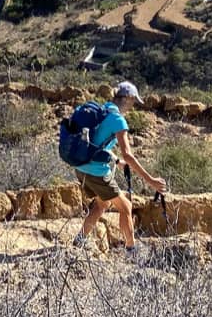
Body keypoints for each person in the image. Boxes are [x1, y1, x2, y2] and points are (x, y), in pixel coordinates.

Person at [71, 81, 167, 257]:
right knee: (126, 206)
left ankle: (80, 240)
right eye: (133, 101)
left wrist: (115, 160)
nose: (133, 106)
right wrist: (151, 180)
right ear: (128, 98)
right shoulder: (118, 120)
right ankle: (132, 250)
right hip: (96, 172)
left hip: (81, 167)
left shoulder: (103, 110)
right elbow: (128, 155)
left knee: (103, 204)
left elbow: (97, 143)